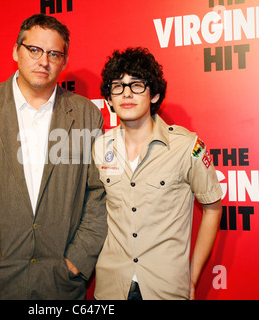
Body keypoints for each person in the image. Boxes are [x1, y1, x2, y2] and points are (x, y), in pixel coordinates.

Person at [0, 13, 107, 300]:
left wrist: (76, 261)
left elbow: (97, 194)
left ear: (64, 60)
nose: (44, 61)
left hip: (58, 284)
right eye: (35, 50)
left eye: (54, 53)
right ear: (16, 51)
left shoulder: (86, 114)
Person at [93, 47, 223, 300]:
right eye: (117, 86)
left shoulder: (186, 146)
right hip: (111, 287)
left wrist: (192, 278)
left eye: (137, 85)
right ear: (109, 99)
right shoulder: (100, 148)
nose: (127, 93)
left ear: (154, 95)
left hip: (165, 288)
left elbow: (213, 209)